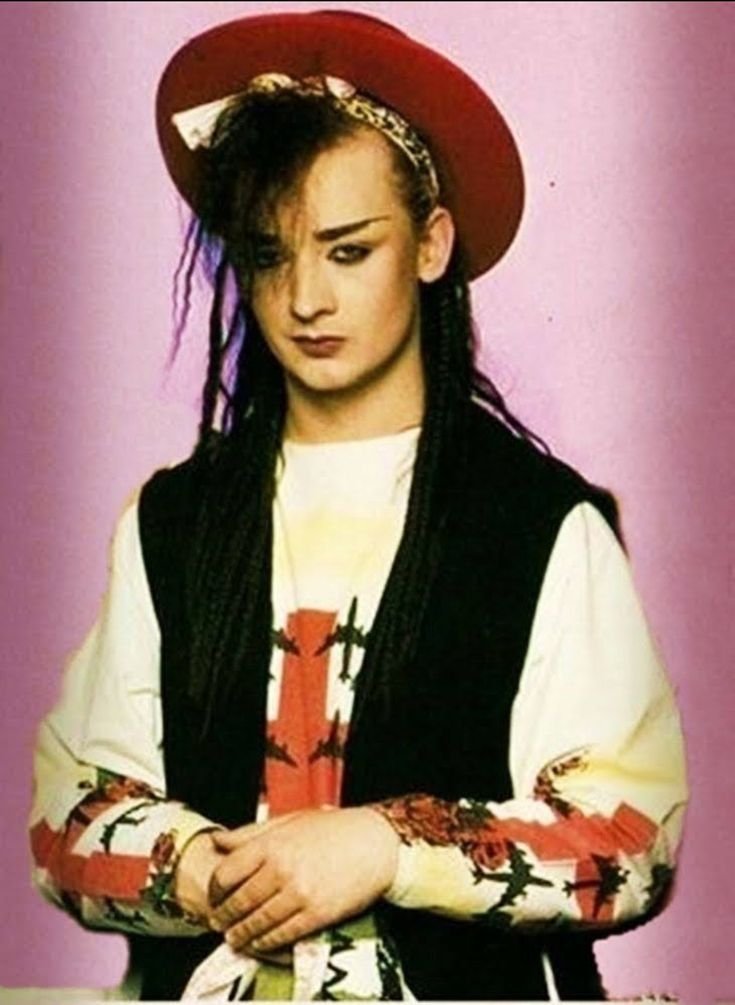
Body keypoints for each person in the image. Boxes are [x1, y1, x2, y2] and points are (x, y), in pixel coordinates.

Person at [29, 10, 688, 1002]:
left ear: (429, 245)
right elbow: (65, 821)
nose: (304, 299)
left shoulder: (539, 524)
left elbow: (630, 840)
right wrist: (208, 869)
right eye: (267, 255)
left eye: (346, 251)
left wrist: (386, 847)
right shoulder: (176, 522)